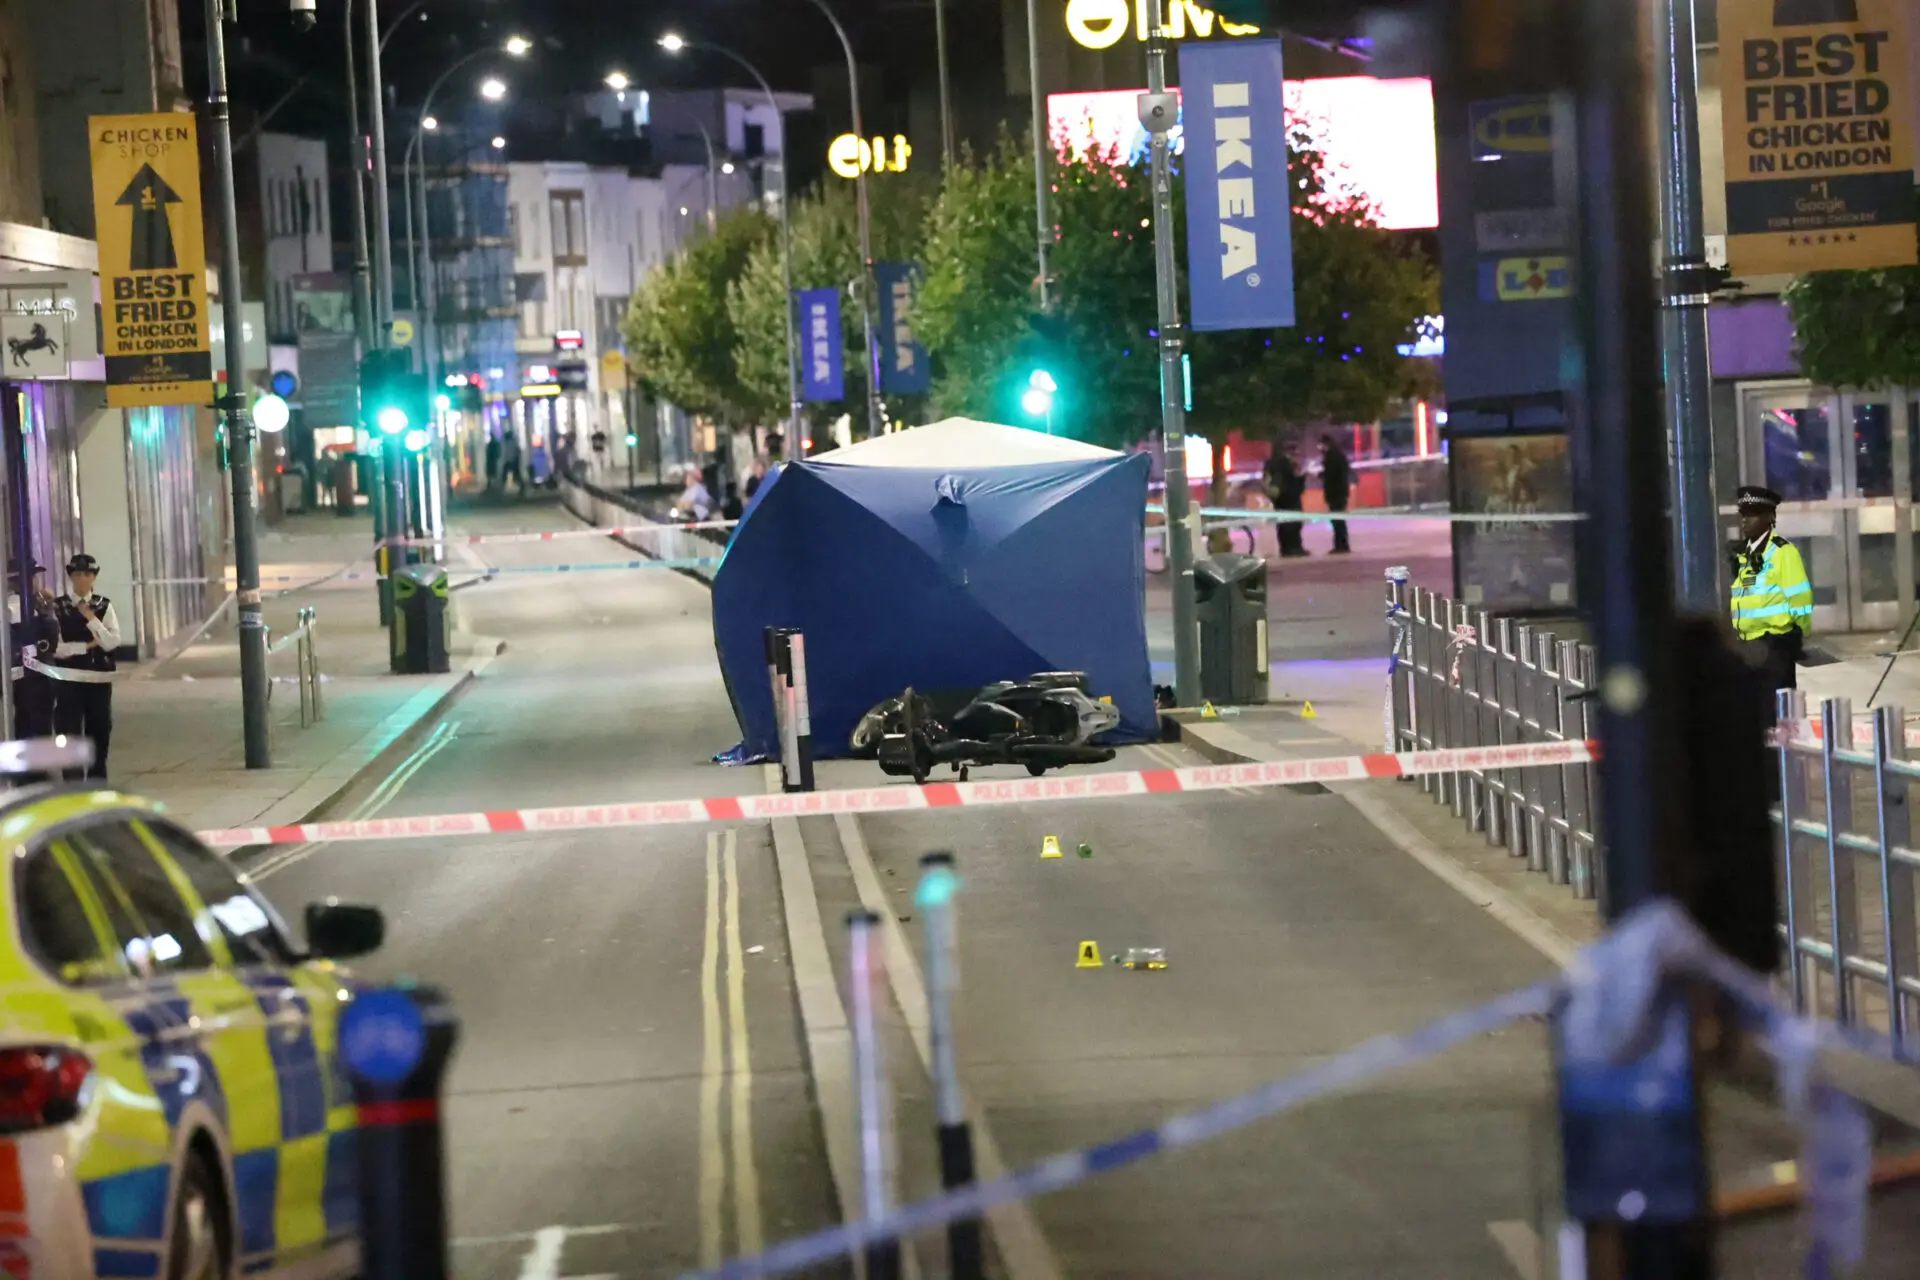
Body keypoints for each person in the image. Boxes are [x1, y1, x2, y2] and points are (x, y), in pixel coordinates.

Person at [1730, 485, 1812, 723]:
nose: (1746, 520)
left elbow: (1800, 597)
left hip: (1776, 645)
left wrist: (1798, 633)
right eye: (1743, 513)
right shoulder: (1743, 555)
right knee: (1755, 716)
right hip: (1748, 647)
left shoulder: (1783, 553)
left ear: (1769, 518)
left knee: (1779, 717)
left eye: (1753, 514)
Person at [51, 554, 119, 780]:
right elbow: (56, 648)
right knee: (68, 730)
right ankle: (72, 780)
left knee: (99, 729)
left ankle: (97, 778)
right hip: (69, 679)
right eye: (77, 574)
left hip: (98, 679)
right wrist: (86, 645)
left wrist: (90, 618)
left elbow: (111, 642)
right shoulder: (58, 607)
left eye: (87, 574)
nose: (82, 579)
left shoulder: (104, 606)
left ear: (94, 577)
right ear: (70, 576)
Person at [6, 563, 57, 741]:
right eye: (34, 577)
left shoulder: (36, 603)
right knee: (31, 721)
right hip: (28, 675)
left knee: (38, 720)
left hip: (40, 671)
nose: (37, 581)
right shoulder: (14, 606)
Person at [1263, 443, 1307, 557]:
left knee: (1283, 525)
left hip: (1279, 498)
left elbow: (1266, 479)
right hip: (1291, 497)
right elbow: (1295, 479)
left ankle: (1286, 548)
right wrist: (1302, 476)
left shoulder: (1270, 463)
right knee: (1294, 524)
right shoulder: (1287, 464)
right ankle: (1294, 547)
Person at [1320, 434, 1353, 554]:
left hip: (1335, 492)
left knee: (1337, 519)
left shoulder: (1332, 456)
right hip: (1341, 491)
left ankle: (1341, 545)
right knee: (1339, 518)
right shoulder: (1339, 455)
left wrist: (1320, 475)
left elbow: (1331, 474)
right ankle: (1342, 544)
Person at [499, 431, 524, 497]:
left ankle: (502, 487)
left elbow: (504, 453)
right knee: (516, 475)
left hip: (508, 461)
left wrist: (503, 461)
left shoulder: (506, 443)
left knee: (505, 475)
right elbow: (518, 451)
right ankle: (521, 487)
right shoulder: (513, 442)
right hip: (513, 460)